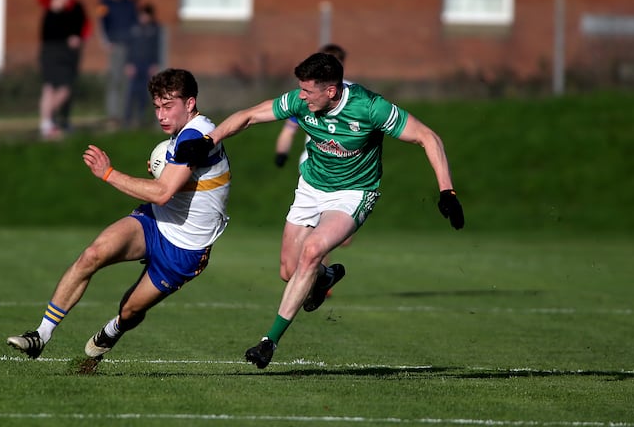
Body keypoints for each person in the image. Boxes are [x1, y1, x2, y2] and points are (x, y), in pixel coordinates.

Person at [174, 52, 464, 369]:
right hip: (311, 187)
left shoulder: (369, 107)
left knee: (311, 251)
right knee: (290, 271)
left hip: (353, 193)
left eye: (308, 91)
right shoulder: (302, 101)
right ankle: (325, 276)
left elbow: (427, 136)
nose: (301, 97)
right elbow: (250, 116)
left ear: (331, 91)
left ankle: (267, 342)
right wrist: (208, 141)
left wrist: (446, 191)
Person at [7, 68, 232, 360]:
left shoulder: (197, 133)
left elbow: (163, 192)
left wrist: (108, 173)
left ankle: (113, 330)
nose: (161, 115)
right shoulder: (182, 135)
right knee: (92, 254)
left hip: (186, 248)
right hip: (155, 221)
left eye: (168, 106)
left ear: (190, 103)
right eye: (156, 107)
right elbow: (171, 189)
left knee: (130, 310)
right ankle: (41, 335)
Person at [274, 44, 352, 297]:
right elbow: (290, 127)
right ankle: (321, 274)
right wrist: (282, 152)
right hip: (313, 167)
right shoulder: (310, 94)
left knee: (322, 230)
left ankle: (319, 274)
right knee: (318, 228)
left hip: (343, 171)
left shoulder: (347, 96)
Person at [36, 0, 91, 140]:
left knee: (65, 89)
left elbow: (82, 27)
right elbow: (48, 34)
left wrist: (77, 37)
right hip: (51, 54)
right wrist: (55, 11)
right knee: (51, 88)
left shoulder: (75, 8)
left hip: (68, 56)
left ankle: (50, 120)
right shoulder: (50, 13)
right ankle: (47, 122)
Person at [97, 0, 140, 129]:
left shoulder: (130, 4)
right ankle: (113, 115)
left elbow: (135, 26)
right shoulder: (105, 2)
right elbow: (102, 22)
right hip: (115, 46)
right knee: (114, 80)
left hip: (130, 47)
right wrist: (106, 42)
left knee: (127, 81)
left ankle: (125, 114)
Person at [121, 2, 162, 129]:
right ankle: (127, 118)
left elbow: (157, 48)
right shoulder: (133, 28)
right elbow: (129, 48)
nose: (143, 18)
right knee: (131, 92)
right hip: (135, 64)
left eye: (145, 16)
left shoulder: (155, 29)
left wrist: (155, 64)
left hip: (148, 65)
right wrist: (128, 64)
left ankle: (142, 118)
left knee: (145, 93)